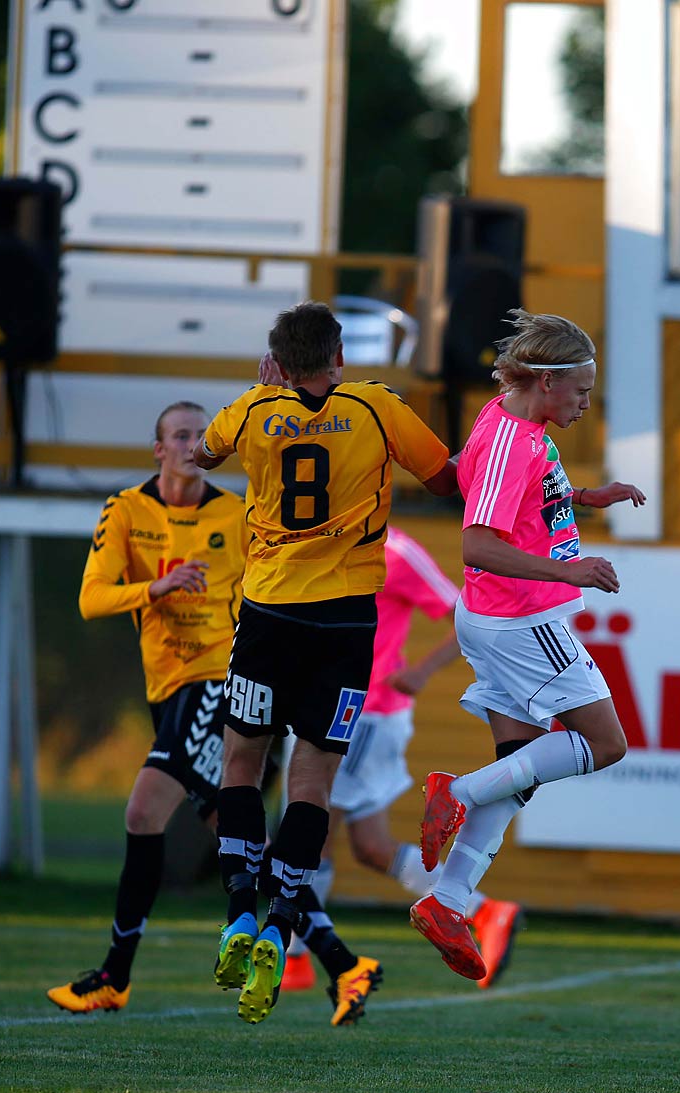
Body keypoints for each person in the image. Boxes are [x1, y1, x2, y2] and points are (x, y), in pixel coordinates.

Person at [193, 301, 458, 1024]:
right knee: (313, 782)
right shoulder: (375, 408)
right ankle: (282, 924)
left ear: (277, 361)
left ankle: (241, 914)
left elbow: (203, 454)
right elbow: (444, 480)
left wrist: (264, 395)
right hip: (345, 622)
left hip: (270, 614)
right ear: (338, 355)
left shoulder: (252, 409)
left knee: (241, 765)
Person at [414, 310, 646, 979]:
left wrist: (582, 498)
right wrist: (569, 569)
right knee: (605, 745)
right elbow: (478, 543)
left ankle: (448, 902)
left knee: (521, 766)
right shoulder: (516, 437)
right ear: (545, 382)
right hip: (519, 620)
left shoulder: (505, 418)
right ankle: (456, 791)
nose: (585, 404)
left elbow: (499, 487)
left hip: (490, 619)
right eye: (580, 391)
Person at [44, 401, 247, 1014]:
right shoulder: (126, 511)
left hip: (216, 676)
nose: (190, 444)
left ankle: (114, 975)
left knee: (143, 811)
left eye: (199, 435)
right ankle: (317, 942)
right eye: (179, 435)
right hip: (164, 686)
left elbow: (263, 589)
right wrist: (153, 588)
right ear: (157, 449)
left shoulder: (236, 514)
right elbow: (91, 598)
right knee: (225, 821)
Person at [280, 528, 526, 992]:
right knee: (369, 848)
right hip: (323, 708)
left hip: (361, 715)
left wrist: (420, 671)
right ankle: (485, 911)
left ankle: (294, 961)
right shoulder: (313, 537)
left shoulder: (395, 551)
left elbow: (467, 613)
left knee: (309, 830)